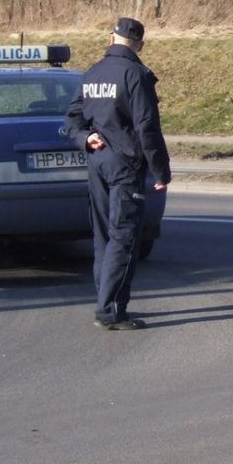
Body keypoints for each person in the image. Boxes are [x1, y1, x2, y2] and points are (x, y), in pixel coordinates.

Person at [65, 17, 171, 330]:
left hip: (97, 160)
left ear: (111, 39)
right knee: (123, 237)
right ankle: (111, 311)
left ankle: (105, 300)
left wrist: (84, 138)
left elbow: (72, 118)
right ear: (139, 43)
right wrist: (160, 171)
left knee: (103, 236)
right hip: (125, 164)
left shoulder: (93, 72)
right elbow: (147, 128)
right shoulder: (136, 75)